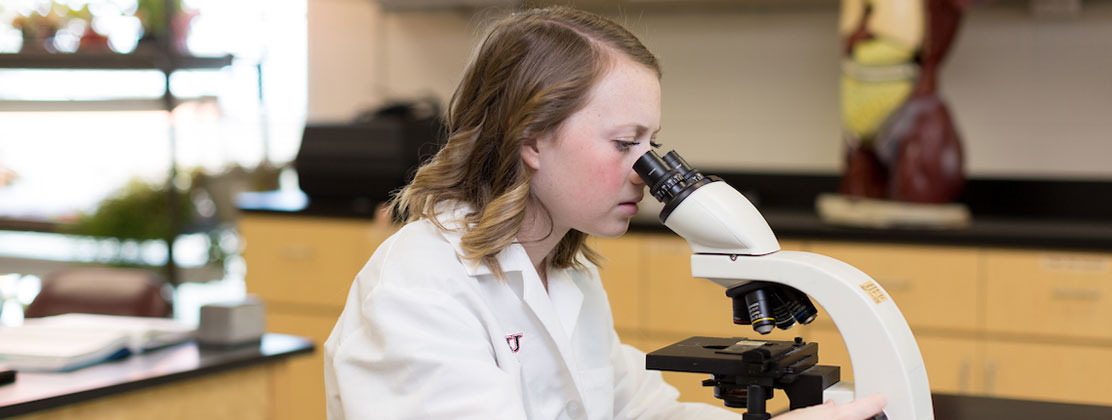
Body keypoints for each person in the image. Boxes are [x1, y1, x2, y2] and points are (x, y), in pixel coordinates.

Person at [323, 6, 887, 420]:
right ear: (533, 140)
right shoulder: (420, 288)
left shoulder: (571, 276)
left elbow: (637, 411)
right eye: (624, 143)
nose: (646, 171)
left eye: (652, 144)